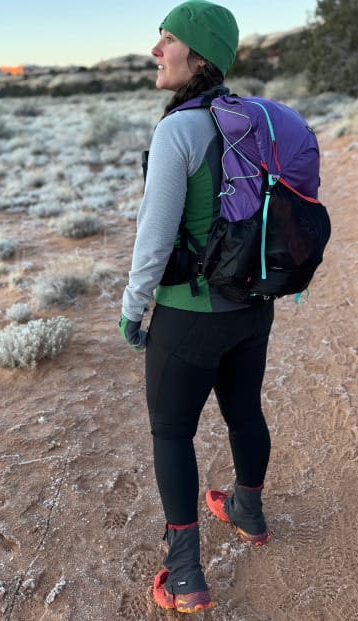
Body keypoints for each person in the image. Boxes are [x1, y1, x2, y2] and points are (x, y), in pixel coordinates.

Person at [118, 0, 275, 613]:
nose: (155, 50)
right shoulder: (258, 120)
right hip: (253, 307)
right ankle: (249, 512)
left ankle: (184, 576)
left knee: (172, 433)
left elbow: (152, 240)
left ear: (199, 54)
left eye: (166, 39)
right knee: (245, 414)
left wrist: (135, 311)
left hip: (187, 317)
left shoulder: (177, 129)